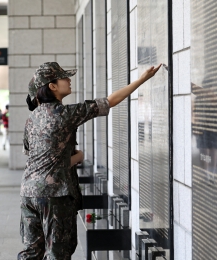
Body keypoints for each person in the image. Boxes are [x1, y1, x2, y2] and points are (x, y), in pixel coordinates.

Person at [18, 62, 161, 258]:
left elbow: (37, 157)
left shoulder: (31, 119)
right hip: (55, 195)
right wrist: (142, 79)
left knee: (31, 252)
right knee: (57, 253)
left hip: (28, 192)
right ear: (52, 86)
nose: (69, 80)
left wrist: (76, 156)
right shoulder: (66, 114)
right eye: (64, 78)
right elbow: (110, 101)